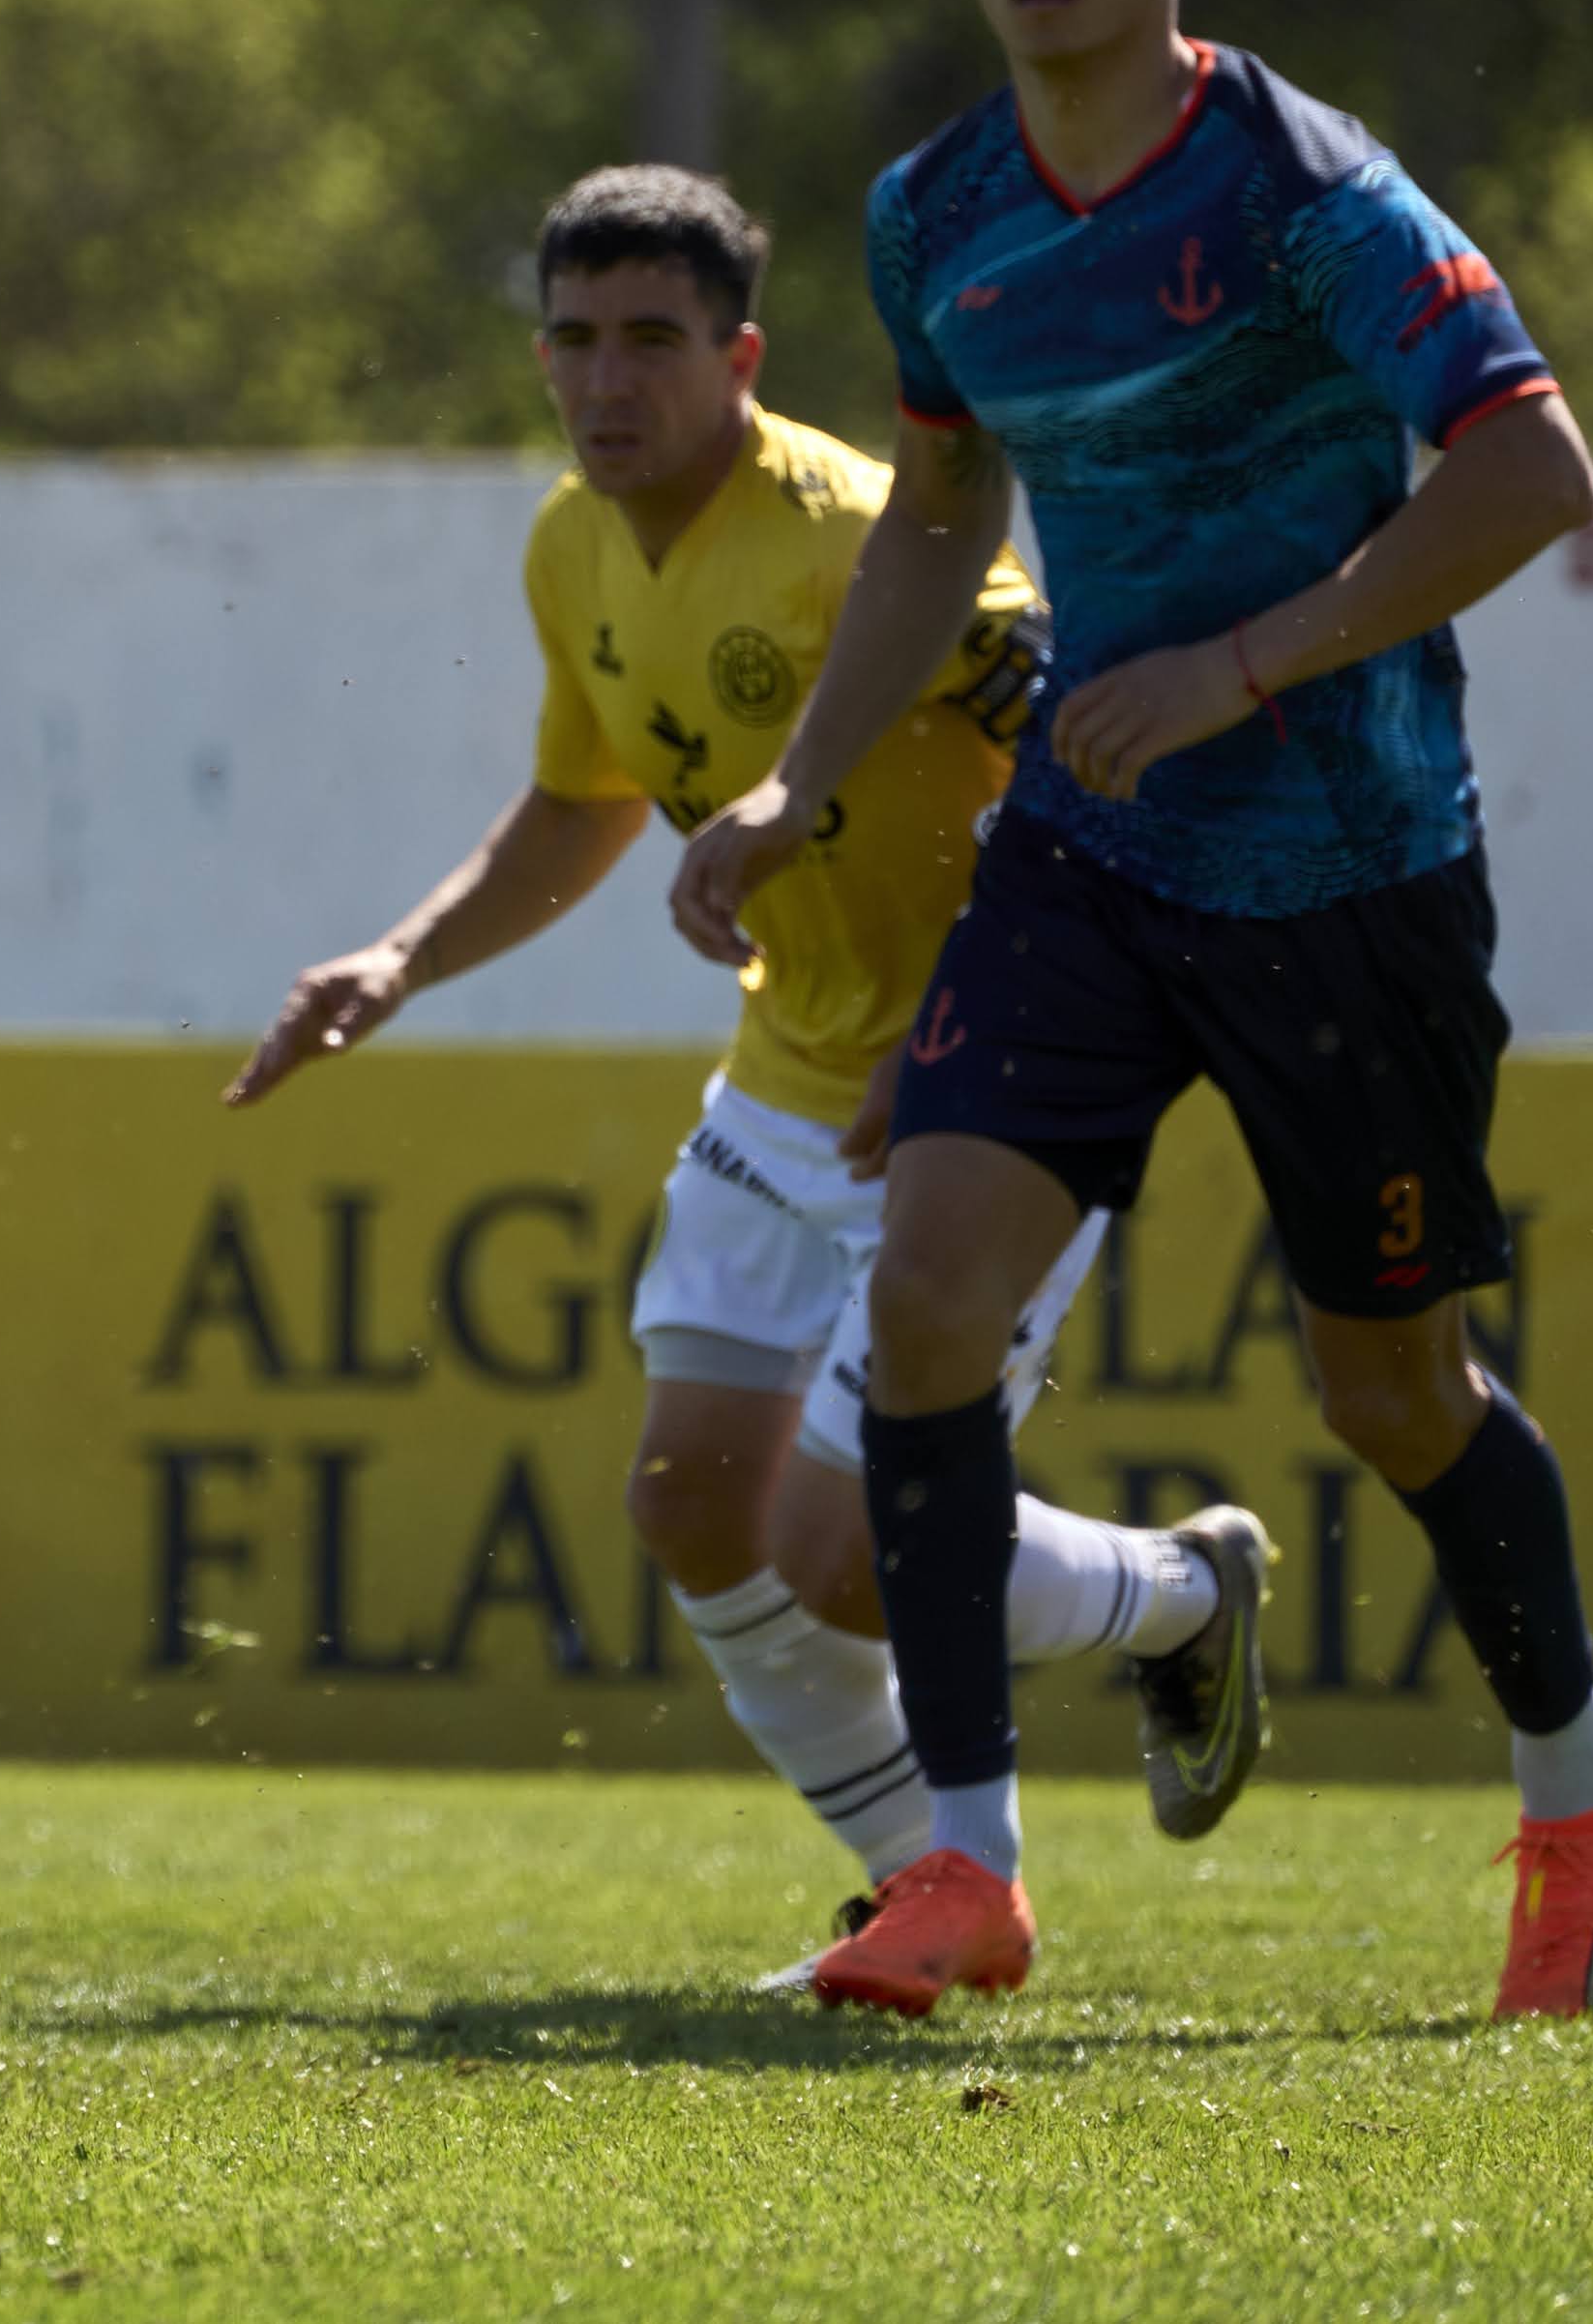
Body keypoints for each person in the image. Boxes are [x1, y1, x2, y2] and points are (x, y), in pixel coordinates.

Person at [675, 0, 1593, 2020]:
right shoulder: (937, 217)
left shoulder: (1305, 189)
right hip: (1091, 856)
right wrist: (797, 786)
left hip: (1348, 865)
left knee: (1391, 1394)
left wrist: (1250, 658)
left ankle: (1580, 1774)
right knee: (920, 1303)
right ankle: (966, 1875)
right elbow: (937, 516)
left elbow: (1536, 468)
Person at [231, 164, 1262, 1928]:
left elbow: (1099, 782)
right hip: (781, 1080)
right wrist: (399, 957)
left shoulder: (872, 534)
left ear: (741, 354)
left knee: (841, 1549)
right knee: (692, 1505)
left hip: (981, 1098)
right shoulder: (571, 540)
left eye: (652, 340)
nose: (605, 380)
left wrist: (965, 1029)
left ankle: (1179, 1594)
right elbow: (581, 807)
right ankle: (899, 1884)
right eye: (572, 339)